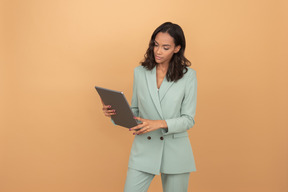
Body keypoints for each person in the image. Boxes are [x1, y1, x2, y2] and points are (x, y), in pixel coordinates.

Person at [101, 22, 197, 192]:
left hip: (175, 150)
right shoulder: (140, 72)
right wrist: (115, 113)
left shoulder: (188, 76)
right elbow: (136, 112)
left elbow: (188, 120)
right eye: (156, 44)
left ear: (177, 48)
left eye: (165, 47)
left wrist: (158, 123)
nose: (158, 51)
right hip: (145, 147)